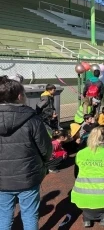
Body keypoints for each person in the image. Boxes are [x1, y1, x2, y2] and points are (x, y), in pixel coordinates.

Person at [0, 76, 52, 230]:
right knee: (29, 214)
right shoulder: (32, 119)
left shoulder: (31, 118)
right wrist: (44, 163)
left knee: (4, 215)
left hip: (2, 178)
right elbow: (46, 149)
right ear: (19, 96)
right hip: (28, 175)